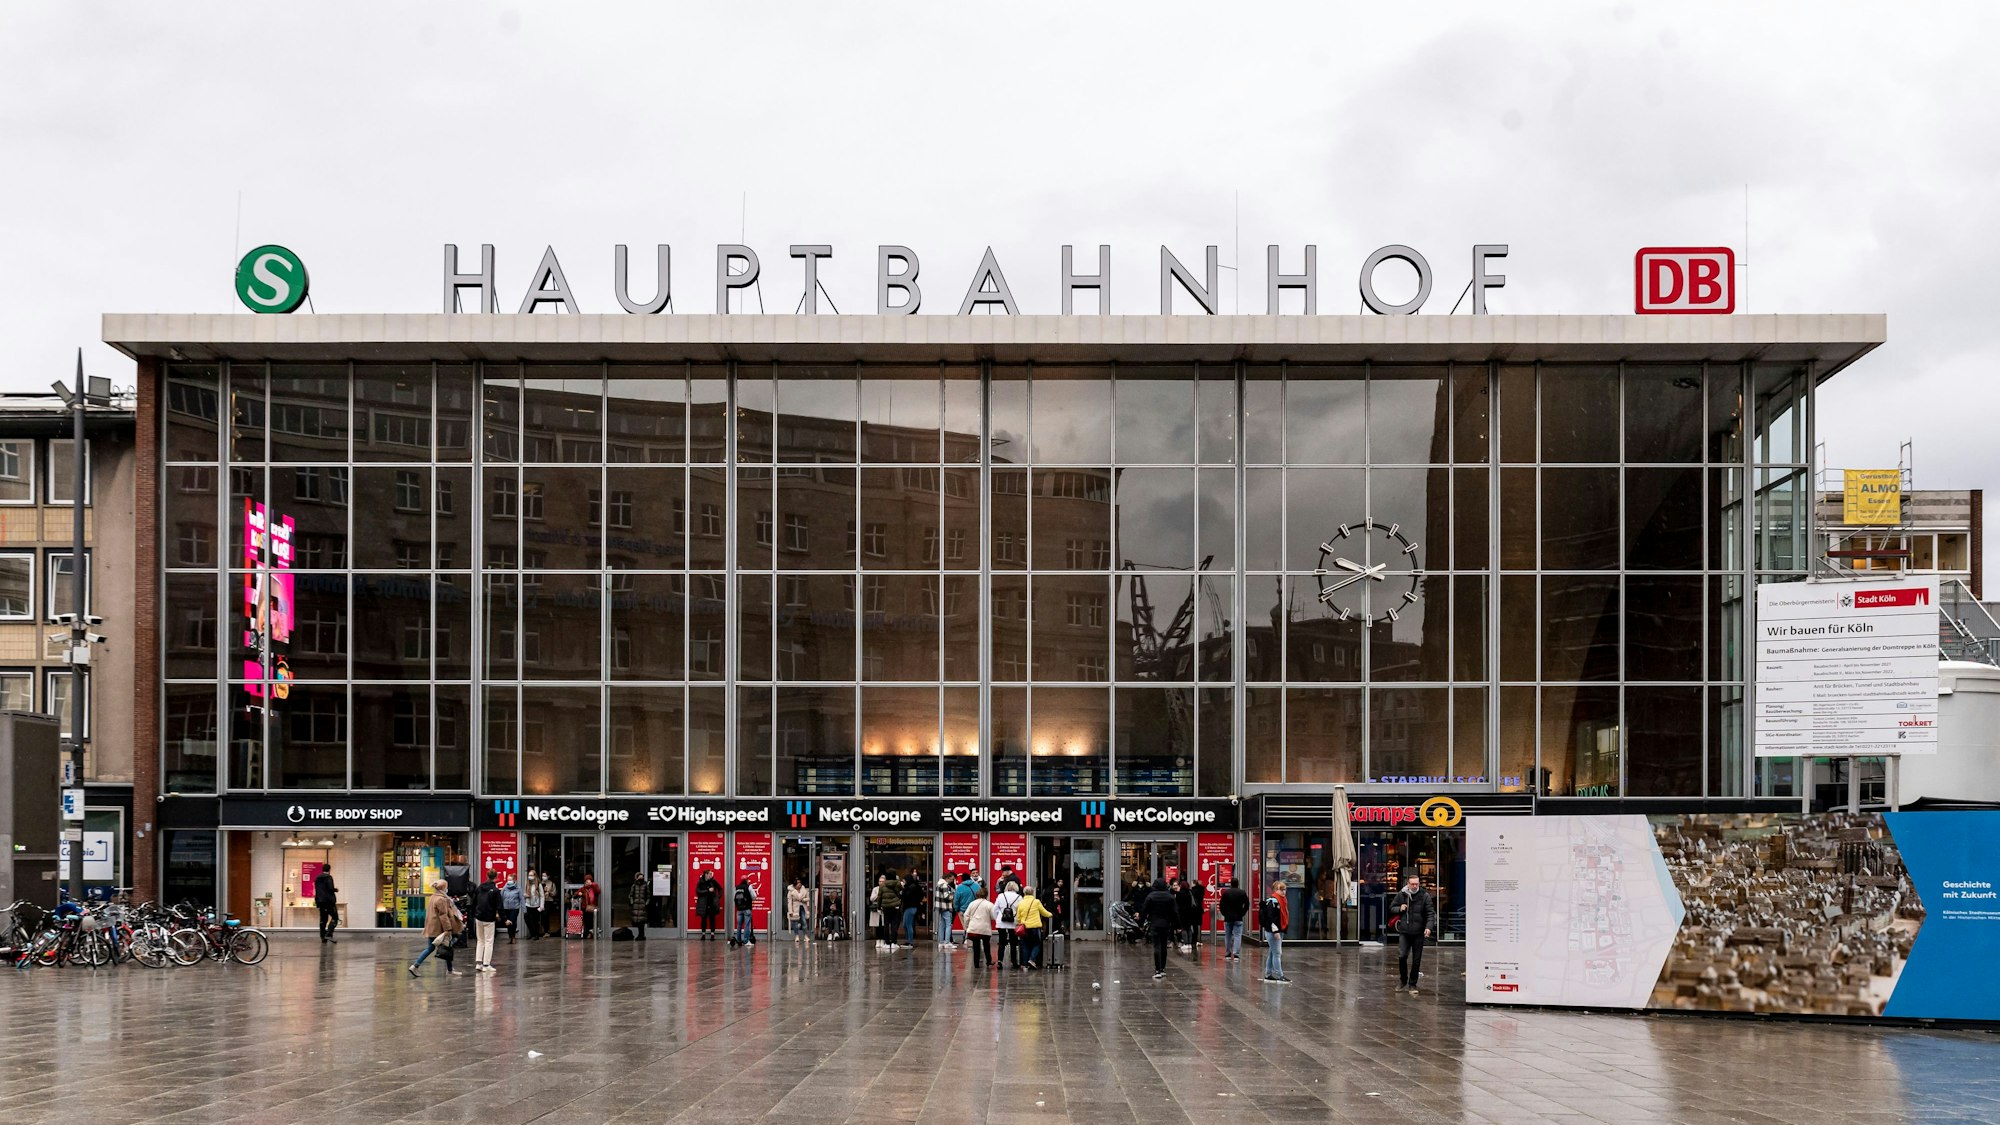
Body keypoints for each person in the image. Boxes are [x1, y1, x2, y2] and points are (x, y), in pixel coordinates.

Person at [1390, 875, 1435, 994]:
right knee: (1402, 956)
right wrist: (1400, 908)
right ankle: (1403, 980)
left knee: (1416, 960)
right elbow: (1391, 908)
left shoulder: (1424, 896)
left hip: (1419, 932)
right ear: (1408, 884)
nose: (1415, 886)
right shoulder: (1402, 894)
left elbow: (1430, 913)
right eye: (1413, 884)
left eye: (1417, 884)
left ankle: (1412, 984)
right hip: (1405, 931)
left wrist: (1428, 928)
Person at [409, 880, 464, 977]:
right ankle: (415, 965)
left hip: (433, 927)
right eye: (446, 887)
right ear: (443, 888)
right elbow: (443, 915)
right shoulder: (441, 899)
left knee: (439, 947)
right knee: (444, 946)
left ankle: (416, 966)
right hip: (439, 928)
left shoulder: (434, 897)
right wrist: (448, 929)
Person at [1142, 878, 1177, 979]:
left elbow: (1144, 910)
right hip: (1166, 924)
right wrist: (1177, 925)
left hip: (1155, 924)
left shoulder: (1151, 896)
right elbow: (1174, 912)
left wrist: (1140, 923)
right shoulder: (1170, 897)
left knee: (1157, 946)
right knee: (1163, 946)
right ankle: (1162, 969)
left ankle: (1157, 969)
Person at [1260, 879, 1291, 984]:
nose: (1283, 892)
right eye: (1281, 890)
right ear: (1275, 890)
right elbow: (1271, 918)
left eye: (1285, 890)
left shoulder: (1282, 900)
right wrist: (1276, 931)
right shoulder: (1273, 901)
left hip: (1278, 930)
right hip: (1273, 931)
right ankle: (1280, 975)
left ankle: (1268, 974)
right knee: (1277, 953)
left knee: (1272, 953)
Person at [1014, 884, 1050, 970]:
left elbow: (1018, 917)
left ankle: (1025, 963)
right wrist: (1051, 915)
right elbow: (1043, 912)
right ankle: (1032, 959)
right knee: (1037, 943)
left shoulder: (1021, 902)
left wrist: (1020, 922)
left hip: (1025, 927)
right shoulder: (1036, 902)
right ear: (1032, 893)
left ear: (1024, 893)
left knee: (1026, 945)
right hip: (1035, 927)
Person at [473, 870, 501, 973]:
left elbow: (474, 901)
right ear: (496, 877)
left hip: (479, 917)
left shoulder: (480, 887)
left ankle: (479, 963)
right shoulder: (495, 890)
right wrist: (504, 918)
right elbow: (499, 905)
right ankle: (486, 964)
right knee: (489, 941)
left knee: (480, 940)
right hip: (489, 918)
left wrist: (475, 913)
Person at [962, 885, 996, 968]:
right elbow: (993, 917)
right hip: (985, 928)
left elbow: (966, 915)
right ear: (986, 895)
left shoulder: (972, 903)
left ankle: (976, 963)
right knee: (986, 945)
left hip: (974, 928)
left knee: (976, 947)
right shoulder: (989, 904)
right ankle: (988, 961)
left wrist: (967, 926)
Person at [1217, 878, 1251, 962]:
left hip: (1228, 917)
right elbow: (1247, 904)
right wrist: (1242, 912)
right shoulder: (1242, 892)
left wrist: (1224, 913)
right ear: (1238, 883)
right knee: (1237, 935)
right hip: (1238, 917)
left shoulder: (1226, 893)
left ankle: (1228, 953)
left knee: (1227, 935)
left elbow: (1221, 905)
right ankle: (1236, 954)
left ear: (1231, 884)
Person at [992, 881, 1023, 969]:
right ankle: (1014, 962)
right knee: (1013, 943)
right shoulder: (1019, 897)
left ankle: (1000, 961)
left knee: (1002, 942)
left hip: (1001, 922)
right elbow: (1020, 909)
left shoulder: (1001, 896)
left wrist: (996, 918)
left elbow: (995, 908)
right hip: (1013, 922)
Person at [875, 873, 903, 950]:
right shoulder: (897, 884)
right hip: (895, 907)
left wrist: (879, 907)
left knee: (886, 925)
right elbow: (901, 891)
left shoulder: (882, 885)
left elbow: (879, 897)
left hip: (886, 907)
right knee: (894, 925)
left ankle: (887, 943)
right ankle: (894, 942)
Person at [950, 873, 979, 947]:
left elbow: (956, 900)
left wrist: (957, 909)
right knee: (973, 925)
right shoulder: (977, 886)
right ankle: (972, 939)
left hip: (963, 910)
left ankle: (967, 939)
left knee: (966, 926)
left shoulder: (960, 887)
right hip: (975, 909)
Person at [313, 864, 338, 944]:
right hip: (329, 901)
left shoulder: (317, 878)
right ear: (329, 869)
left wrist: (317, 901)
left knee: (323, 919)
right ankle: (329, 934)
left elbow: (317, 890)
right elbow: (330, 888)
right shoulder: (328, 877)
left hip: (320, 901)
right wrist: (335, 890)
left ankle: (323, 937)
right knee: (335, 917)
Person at [900, 869, 926, 948]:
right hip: (910, 908)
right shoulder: (914, 886)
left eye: (904, 881)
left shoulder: (911, 888)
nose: (903, 882)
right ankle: (908, 941)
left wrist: (903, 889)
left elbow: (905, 896)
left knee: (908, 924)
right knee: (906, 924)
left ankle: (910, 942)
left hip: (910, 908)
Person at [695, 870, 723, 940]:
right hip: (703, 903)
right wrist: (707, 891)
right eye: (710, 874)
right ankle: (703, 934)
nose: (711, 875)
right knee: (703, 919)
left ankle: (712, 935)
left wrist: (717, 897)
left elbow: (720, 889)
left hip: (712, 903)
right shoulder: (700, 882)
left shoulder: (713, 881)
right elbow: (698, 891)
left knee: (712, 919)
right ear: (706, 874)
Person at [1173, 877, 1196, 952]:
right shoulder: (1190, 893)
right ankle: (1189, 943)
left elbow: (1177, 905)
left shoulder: (1179, 894)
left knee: (1183, 928)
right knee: (1189, 928)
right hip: (1189, 913)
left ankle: (1185, 943)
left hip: (1182, 914)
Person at [934, 874, 958, 948]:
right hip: (946, 906)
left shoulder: (938, 884)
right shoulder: (944, 885)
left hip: (940, 907)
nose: (951, 881)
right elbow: (946, 896)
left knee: (942, 924)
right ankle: (947, 942)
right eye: (951, 879)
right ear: (947, 878)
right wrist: (953, 895)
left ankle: (941, 942)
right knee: (948, 924)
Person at [731, 878, 756, 947]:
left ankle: (739, 940)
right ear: (746, 880)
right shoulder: (749, 886)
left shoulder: (737, 887)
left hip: (739, 909)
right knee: (747, 925)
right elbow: (754, 896)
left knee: (739, 925)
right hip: (747, 908)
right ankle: (746, 941)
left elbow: (734, 897)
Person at [522, 869, 545, 940]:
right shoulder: (527, 883)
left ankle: (536, 935)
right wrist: (525, 895)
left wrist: (541, 906)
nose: (530, 876)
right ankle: (532, 933)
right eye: (529, 875)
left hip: (536, 905)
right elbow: (524, 893)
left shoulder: (538, 884)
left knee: (535, 921)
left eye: (531, 875)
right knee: (527, 919)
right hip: (528, 904)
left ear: (535, 876)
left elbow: (542, 896)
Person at [628, 872, 650, 940]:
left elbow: (648, 896)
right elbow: (631, 895)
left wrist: (646, 903)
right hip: (635, 906)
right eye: (639, 877)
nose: (641, 878)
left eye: (642, 877)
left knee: (641, 922)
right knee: (637, 921)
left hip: (642, 906)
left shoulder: (646, 886)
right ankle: (639, 935)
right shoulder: (634, 886)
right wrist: (632, 902)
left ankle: (641, 935)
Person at [501, 876, 523, 942]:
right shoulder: (504, 888)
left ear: (514, 880)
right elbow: (501, 897)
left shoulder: (518, 888)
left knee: (512, 921)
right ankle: (510, 936)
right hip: (506, 908)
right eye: (508, 880)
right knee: (507, 922)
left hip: (514, 908)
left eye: (510, 880)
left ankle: (513, 936)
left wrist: (524, 909)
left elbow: (521, 899)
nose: (509, 881)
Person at [579, 874, 600, 938]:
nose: (588, 882)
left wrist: (592, 885)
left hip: (592, 907)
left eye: (589, 881)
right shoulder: (583, 888)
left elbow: (598, 892)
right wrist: (580, 894)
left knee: (592, 920)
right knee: (586, 921)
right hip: (585, 907)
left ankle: (591, 933)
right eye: (586, 881)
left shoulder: (594, 887)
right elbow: (577, 892)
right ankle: (587, 933)